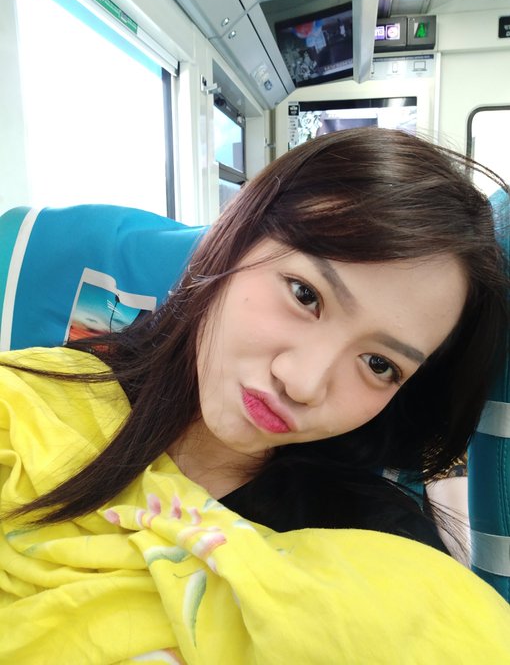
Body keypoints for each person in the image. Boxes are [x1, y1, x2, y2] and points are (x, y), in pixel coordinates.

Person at [1, 127, 510, 664]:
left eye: (379, 365)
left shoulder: (385, 561)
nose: (303, 382)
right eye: (305, 295)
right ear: (236, 235)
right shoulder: (30, 404)